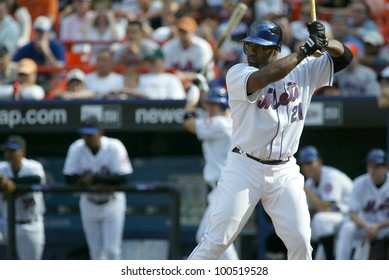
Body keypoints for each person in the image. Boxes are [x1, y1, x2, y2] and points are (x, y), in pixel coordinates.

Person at [187, 19, 353, 260]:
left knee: (300, 241)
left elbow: (344, 57)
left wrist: (326, 43)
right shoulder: (238, 73)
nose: (252, 51)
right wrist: (306, 50)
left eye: (260, 46)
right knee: (216, 242)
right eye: (249, 46)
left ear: (275, 50)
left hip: (284, 170)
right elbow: (265, 77)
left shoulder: (303, 69)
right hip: (245, 167)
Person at [63, 116, 133, 260]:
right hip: (89, 202)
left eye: (91, 133)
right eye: (84, 133)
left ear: (100, 132)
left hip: (112, 203)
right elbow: (68, 177)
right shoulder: (77, 147)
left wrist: (95, 179)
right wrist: (87, 181)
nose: (87, 137)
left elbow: (125, 176)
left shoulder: (114, 146)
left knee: (112, 251)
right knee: (95, 252)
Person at [183, 81, 239, 260]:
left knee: (209, 238)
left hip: (224, 188)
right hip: (225, 188)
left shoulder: (220, 124)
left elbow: (189, 123)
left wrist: (192, 99)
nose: (211, 108)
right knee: (212, 238)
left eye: (215, 104)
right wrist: (204, 89)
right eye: (209, 104)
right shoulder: (230, 120)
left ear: (223, 104)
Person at [297, 146, 353, 259]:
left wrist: (306, 189)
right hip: (333, 223)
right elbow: (309, 210)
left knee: (320, 219)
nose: (307, 168)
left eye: (310, 163)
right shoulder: (310, 182)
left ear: (320, 162)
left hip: (350, 217)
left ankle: (330, 259)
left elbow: (326, 208)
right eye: (304, 164)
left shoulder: (331, 177)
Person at [336, 148, 389, 259]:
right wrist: (368, 226)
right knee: (347, 228)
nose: (372, 170)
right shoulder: (360, 183)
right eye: (369, 166)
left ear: (385, 167)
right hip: (364, 226)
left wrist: (378, 227)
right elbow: (352, 213)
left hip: (385, 227)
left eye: (376, 167)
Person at [0, 135, 47, 259]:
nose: (9, 154)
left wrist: (10, 182)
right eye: (7, 150)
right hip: (7, 223)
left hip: (31, 225)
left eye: (13, 151)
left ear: (22, 152)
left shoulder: (33, 167)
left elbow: (36, 180)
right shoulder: (2, 168)